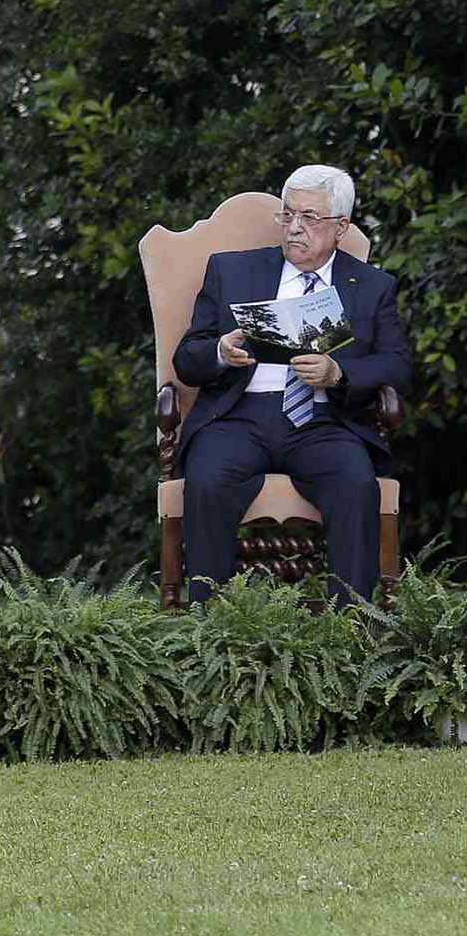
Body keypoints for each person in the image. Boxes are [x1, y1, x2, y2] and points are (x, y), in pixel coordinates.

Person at [173, 162, 410, 604]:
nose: (295, 227)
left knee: (356, 482)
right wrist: (221, 352)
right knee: (207, 478)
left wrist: (339, 374)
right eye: (288, 214)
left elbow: (397, 366)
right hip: (238, 417)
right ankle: (210, 626)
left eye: (310, 217)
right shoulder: (231, 271)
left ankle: (353, 623)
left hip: (325, 421)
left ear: (341, 227)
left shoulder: (372, 286)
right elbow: (186, 360)